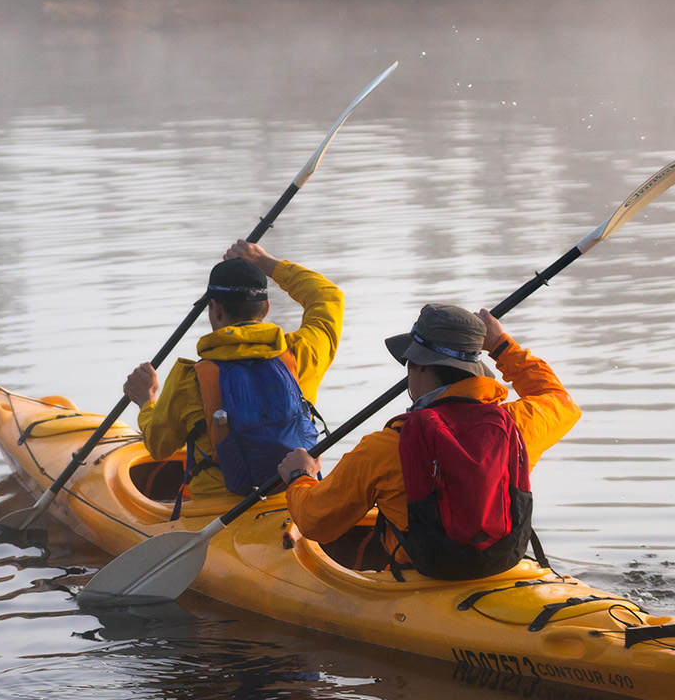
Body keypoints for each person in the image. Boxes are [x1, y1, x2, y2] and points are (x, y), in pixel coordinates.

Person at [278, 303, 579, 579]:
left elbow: (315, 522)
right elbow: (560, 401)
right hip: (502, 567)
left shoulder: (384, 447)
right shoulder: (515, 425)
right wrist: (501, 345)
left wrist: (299, 476)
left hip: (420, 577)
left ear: (420, 366)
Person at [123, 240, 343, 506]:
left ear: (215, 309)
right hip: (294, 496)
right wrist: (265, 261)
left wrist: (146, 401)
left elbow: (159, 446)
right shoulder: (301, 353)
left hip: (216, 512)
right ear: (266, 309)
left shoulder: (188, 378)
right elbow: (328, 296)